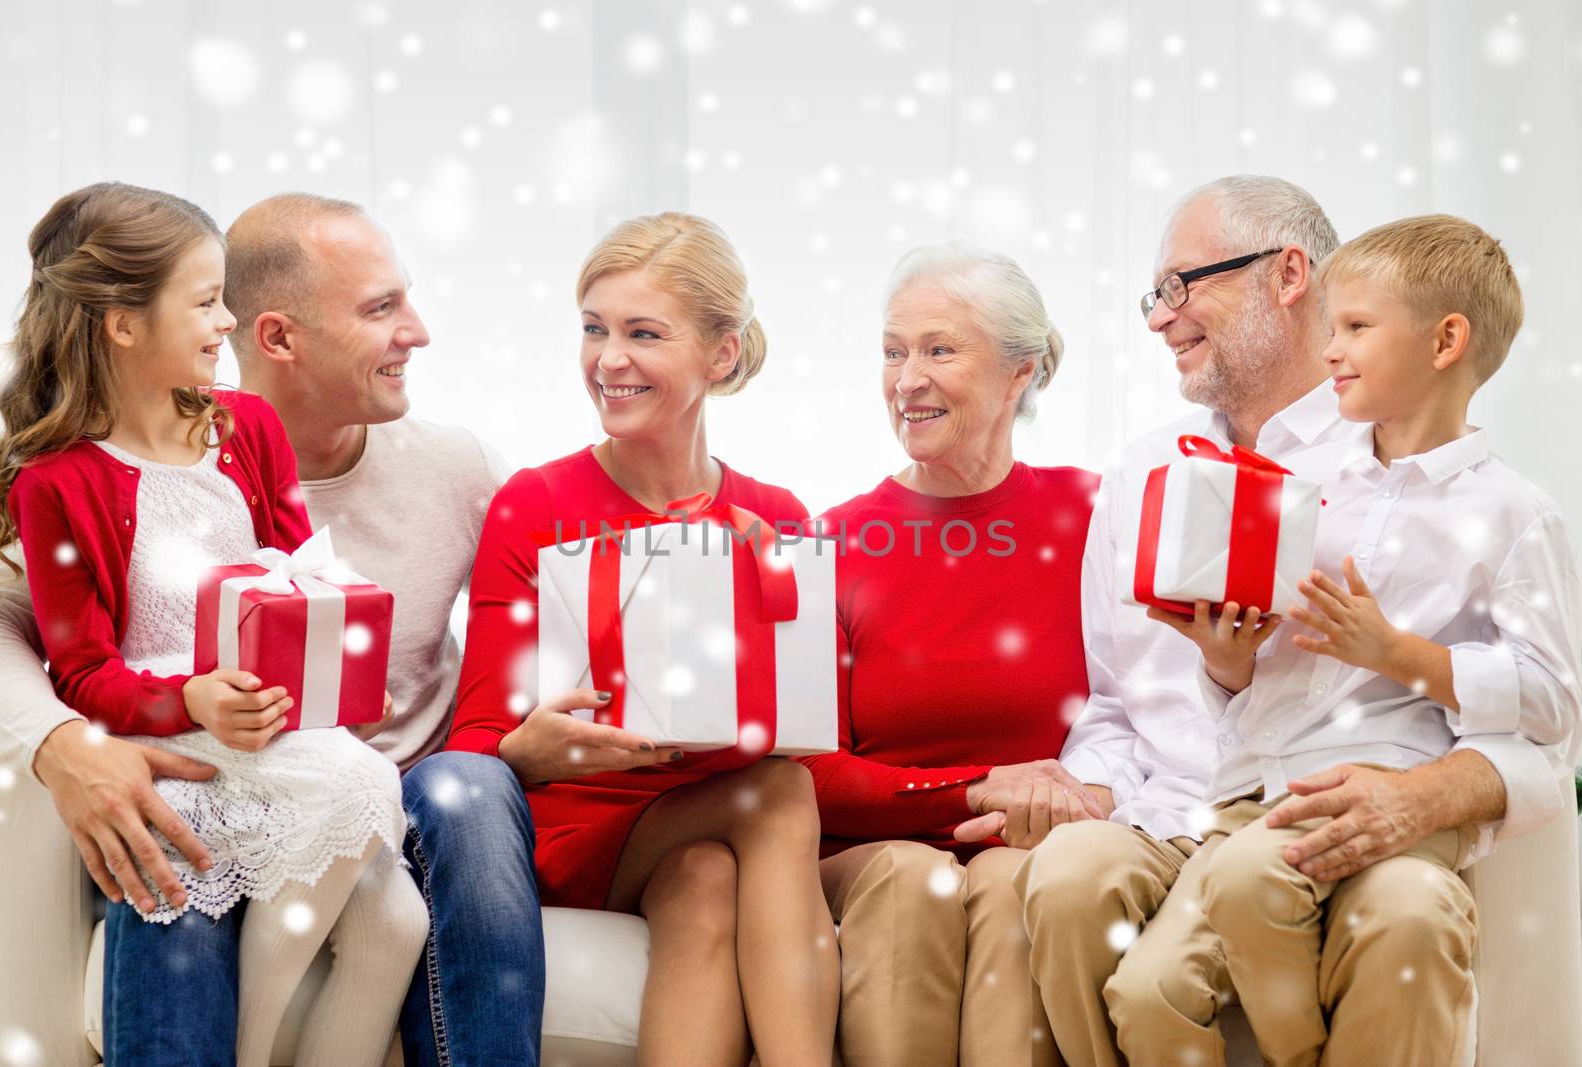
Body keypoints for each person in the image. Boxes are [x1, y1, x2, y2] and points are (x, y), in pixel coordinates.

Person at [1014, 175, 1574, 1067]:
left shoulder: (1381, 466)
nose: (1160, 318)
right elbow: (1119, 703)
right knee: (1077, 886)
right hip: (1184, 808)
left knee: (1406, 913)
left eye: (1181, 285)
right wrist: (1106, 768)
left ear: (1287, 275)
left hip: (1335, 795)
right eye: (1154, 294)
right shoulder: (1143, 471)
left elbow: (1546, 716)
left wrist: (1424, 782)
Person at [0, 189, 542, 1066]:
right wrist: (122, 723)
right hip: (198, 747)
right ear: (124, 325)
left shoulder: (260, 435)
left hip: (321, 752)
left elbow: (296, 572)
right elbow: (64, 657)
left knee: (399, 897)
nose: (225, 323)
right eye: (206, 303)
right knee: (187, 870)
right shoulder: (65, 483)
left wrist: (340, 645)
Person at [446, 211, 839, 1067]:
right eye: (594, 329)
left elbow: (805, 725)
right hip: (579, 828)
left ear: (721, 355)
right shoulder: (536, 503)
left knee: (709, 880)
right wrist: (537, 751)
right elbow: (474, 742)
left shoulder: (774, 518)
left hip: (702, 829)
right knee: (777, 794)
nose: (607, 359)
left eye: (642, 333)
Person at [800, 244, 1100, 1067]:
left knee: (1013, 881)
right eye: (894, 352)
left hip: (1027, 848)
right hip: (874, 856)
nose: (907, 379)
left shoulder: (1091, 517)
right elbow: (810, 772)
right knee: (915, 879)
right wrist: (970, 789)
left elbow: (1156, 711)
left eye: (939, 350)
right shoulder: (833, 538)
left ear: (1018, 374)